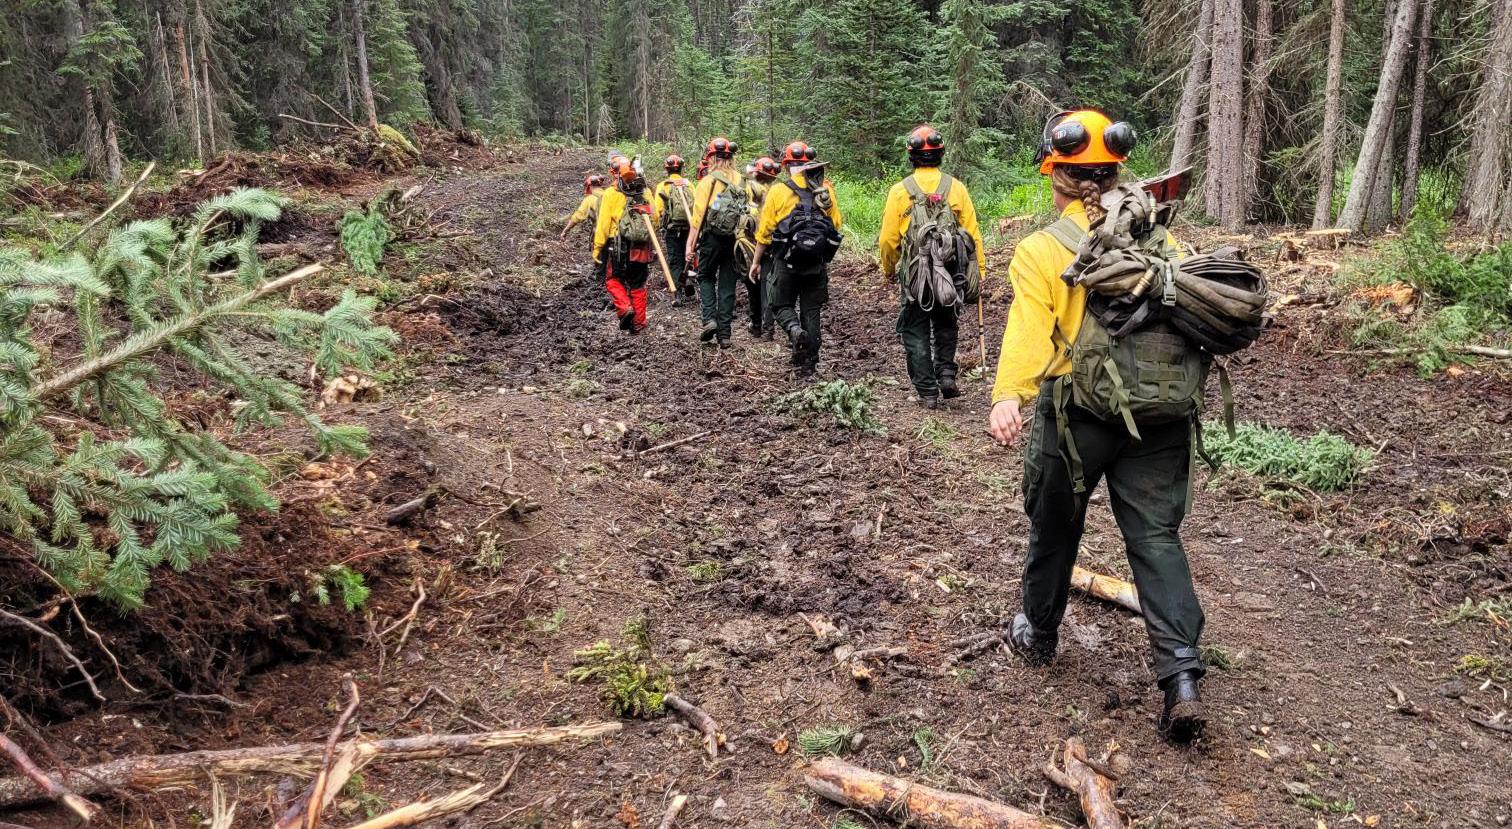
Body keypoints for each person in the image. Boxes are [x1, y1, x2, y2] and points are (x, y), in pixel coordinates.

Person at [987, 109, 1207, 742]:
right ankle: (1181, 676)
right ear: (1117, 172)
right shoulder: (1163, 242)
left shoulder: (1041, 249)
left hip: (1073, 415)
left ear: (1054, 174)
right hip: (1159, 414)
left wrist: (1009, 395)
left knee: (1055, 524)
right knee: (1157, 538)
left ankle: (1038, 634)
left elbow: (1030, 332)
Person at [878, 126, 987, 408]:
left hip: (915, 276)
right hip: (950, 272)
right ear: (940, 154)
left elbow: (888, 241)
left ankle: (927, 391)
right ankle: (946, 374)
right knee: (946, 323)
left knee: (915, 328)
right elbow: (972, 235)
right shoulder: (956, 188)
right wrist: (979, 272)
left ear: (911, 156)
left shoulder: (900, 192)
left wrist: (889, 270)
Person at [751, 142, 843, 376]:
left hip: (785, 260)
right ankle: (809, 361)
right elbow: (836, 224)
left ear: (786, 166)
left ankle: (793, 330)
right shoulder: (825, 190)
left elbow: (765, 232)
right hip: (816, 262)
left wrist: (756, 262)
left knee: (780, 304)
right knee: (811, 310)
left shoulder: (779, 191)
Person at [685, 137, 746, 347]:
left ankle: (709, 319)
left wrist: (690, 245)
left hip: (712, 238)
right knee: (728, 283)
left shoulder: (707, 182)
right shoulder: (742, 180)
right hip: (735, 239)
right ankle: (725, 334)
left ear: (711, 158)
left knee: (706, 276)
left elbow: (698, 218)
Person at [593, 157, 661, 333]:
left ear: (613, 173)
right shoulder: (645, 191)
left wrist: (598, 247)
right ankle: (639, 323)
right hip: (641, 245)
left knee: (613, 280)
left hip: (618, 245)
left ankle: (625, 308)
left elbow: (603, 224)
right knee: (638, 284)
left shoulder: (611, 193)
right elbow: (655, 219)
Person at [745, 156, 781, 339]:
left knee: (752, 281)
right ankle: (768, 327)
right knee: (768, 283)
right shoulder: (779, 191)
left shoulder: (748, 188)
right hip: (775, 242)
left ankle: (757, 324)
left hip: (752, 242)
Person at [654, 154, 695, 305]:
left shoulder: (663, 185)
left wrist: (658, 226)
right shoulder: (689, 184)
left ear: (667, 169)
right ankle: (688, 278)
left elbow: (658, 209)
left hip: (672, 228)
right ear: (681, 169)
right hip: (689, 228)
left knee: (674, 259)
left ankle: (678, 292)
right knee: (688, 255)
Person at [561, 174, 608, 240]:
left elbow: (577, 217)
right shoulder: (610, 195)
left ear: (589, 186)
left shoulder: (589, 199)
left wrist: (565, 231)